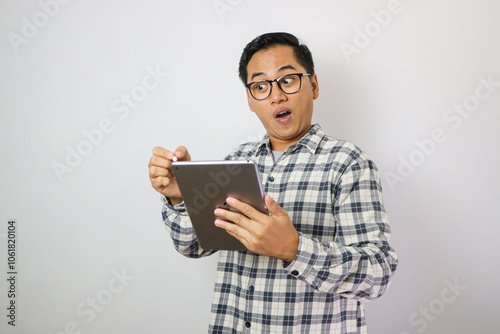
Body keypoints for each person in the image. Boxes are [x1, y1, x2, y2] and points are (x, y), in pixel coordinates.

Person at [148, 32, 398, 333]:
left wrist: (294, 248)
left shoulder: (348, 164)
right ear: (251, 100)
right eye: (261, 86)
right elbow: (192, 246)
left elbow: (377, 273)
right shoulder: (235, 162)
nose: (276, 95)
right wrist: (180, 198)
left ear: (314, 85)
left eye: (288, 80)